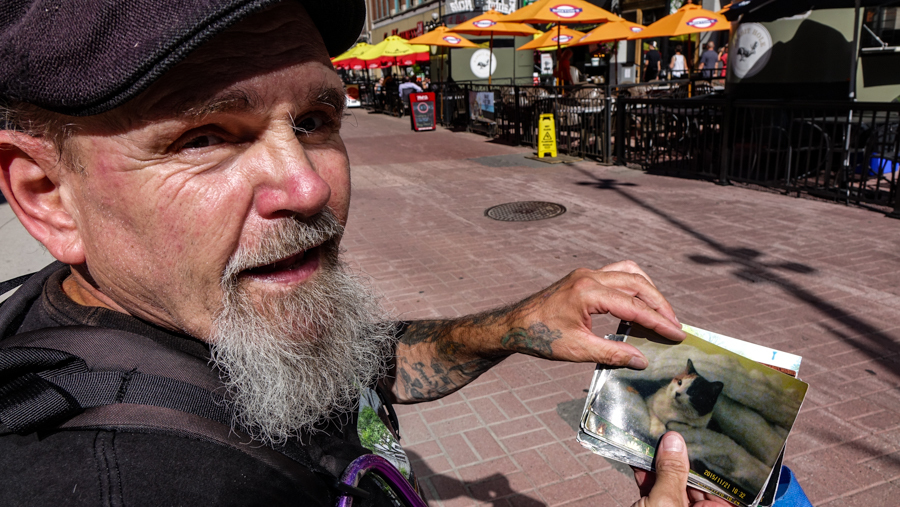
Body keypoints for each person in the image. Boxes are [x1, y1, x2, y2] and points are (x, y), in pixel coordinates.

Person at [0, 1, 725, 505]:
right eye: (207, 136)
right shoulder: (121, 482)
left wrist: (519, 322)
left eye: (315, 119)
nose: (308, 186)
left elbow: (367, 363)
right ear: (47, 195)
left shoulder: (171, 305)